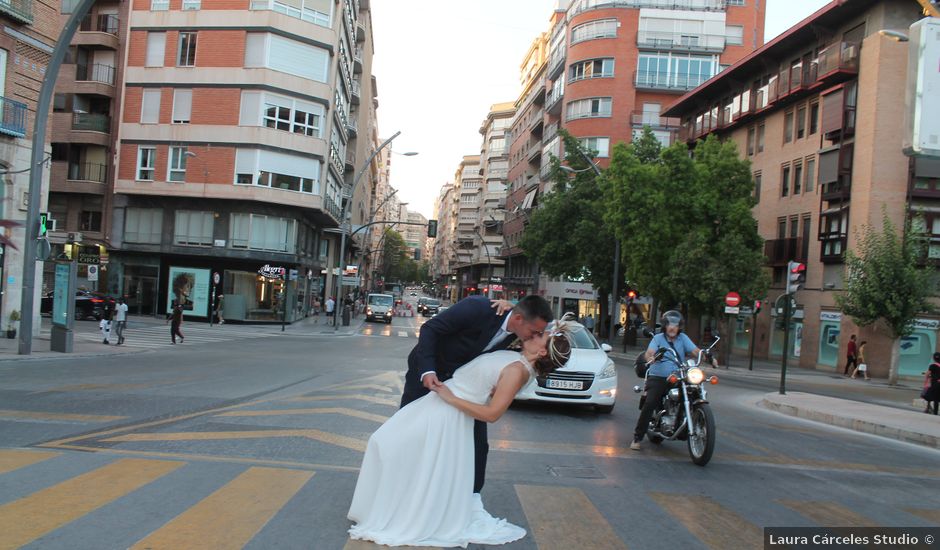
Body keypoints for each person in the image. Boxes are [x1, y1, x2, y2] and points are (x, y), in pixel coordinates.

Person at [349, 326, 571, 547]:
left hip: (448, 411)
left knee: (388, 443)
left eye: (540, 335)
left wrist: (449, 397)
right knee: (392, 446)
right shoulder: (519, 359)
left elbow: (492, 414)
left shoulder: (517, 371)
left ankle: (405, 514)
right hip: (438, 402)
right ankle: (395, 508)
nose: (534, 333)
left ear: (542, 352)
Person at [400, 295, 553, 511]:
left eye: (538, 333)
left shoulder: (521, 335)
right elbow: (429, 329)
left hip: (466, 390)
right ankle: (404, 490)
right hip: (427, 376)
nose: (535, 335)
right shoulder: (477, 308)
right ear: (518, 319)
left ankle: (470, 503)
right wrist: (428, 370)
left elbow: (543, 341)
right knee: (409, 434)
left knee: (477, 447)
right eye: (534, 331)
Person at [632, 310, 704, 451]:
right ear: (665, 326)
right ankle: (637, 437)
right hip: (658, 376)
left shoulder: (683, 338)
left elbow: (695, 351)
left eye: (675, 325)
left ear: (679, 327)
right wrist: (651, 358)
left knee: (694, 390)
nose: (672, 328)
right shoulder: (658, 338)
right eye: (670, 325)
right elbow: (649, 353)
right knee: (651, 402)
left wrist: (707, 355)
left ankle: (690, 419)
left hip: (678, 376)